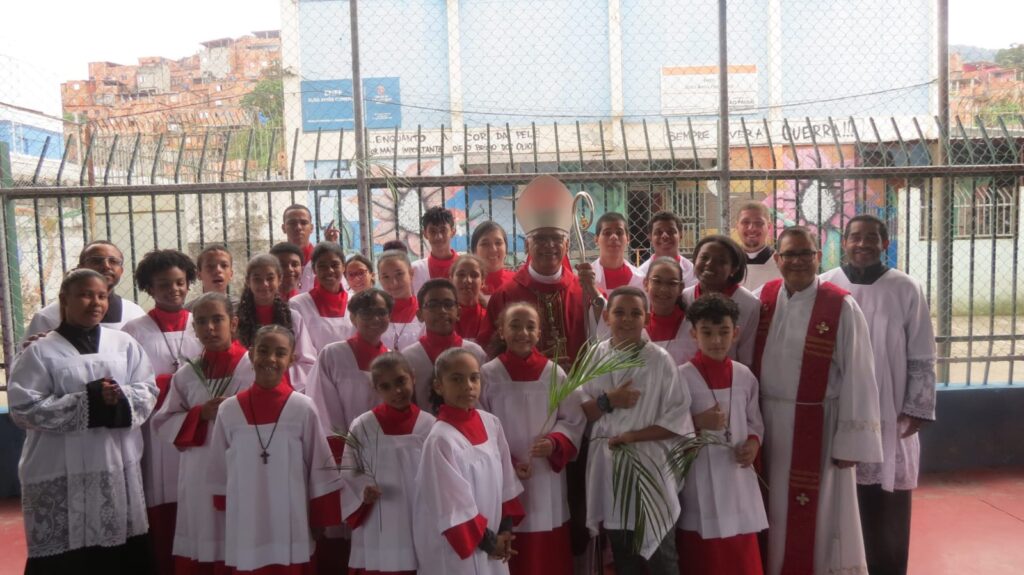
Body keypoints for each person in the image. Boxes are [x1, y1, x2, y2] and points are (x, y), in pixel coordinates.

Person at [8, 269, 157, 575]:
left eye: (102, 296)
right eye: (86, 295)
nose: (96, 303)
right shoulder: (39, 351)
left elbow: (147, 389)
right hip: (59, 468)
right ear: (65, 300)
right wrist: (88, 401)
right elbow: (24, 408)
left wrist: (119, 398)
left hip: (113, 464)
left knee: (119, 548)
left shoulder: (124, 344)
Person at [753, 226, 883, 575]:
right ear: (777, 259)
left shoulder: (840, 306)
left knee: (819, 514)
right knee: (769, 509)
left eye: (805, 254)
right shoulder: (762, 298)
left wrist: (851, 442)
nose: (797, 261)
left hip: (818, 428)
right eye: (789, 254)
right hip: (765, 425)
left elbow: (860, 375)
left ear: (818, 257)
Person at [820, 215, 936, 575]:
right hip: (838, 410)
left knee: (886, 503)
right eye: (855, 237)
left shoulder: (906, 287)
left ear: (885, 243)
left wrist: (916, 406)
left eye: (872, 237)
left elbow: (922, 352)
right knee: (839, 499)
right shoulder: (826, 285)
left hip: (890, 412)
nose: (862, 244)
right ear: (845, 242)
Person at [207, 325, 343, 574]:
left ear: (291, 359)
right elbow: (218, 467)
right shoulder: (229, 410)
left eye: (280, 353)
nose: (270, 359)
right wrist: (224, 508)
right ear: (251, 354)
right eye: (264, 351)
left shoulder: (303, 408)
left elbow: (319, 465)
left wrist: (319, 517)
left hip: (293, 516)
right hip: (246, 514)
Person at [580, 286, 692, 574]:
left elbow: (677, 421)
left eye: (635, 313)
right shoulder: (596, 355)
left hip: (650, 469)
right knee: (624, 555)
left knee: (662, 558)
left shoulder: (660, 360)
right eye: (619, 312)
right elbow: (582, 409)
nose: (626, 319)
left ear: (647, 317)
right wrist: (609, 400)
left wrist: (633, 437)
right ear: (606, 316)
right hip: (611, 468)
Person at [150, 292, 255, 575]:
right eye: (201, 322)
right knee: (205, 530)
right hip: (201, 468)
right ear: (193, 329)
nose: (209, 327)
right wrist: (200, 415)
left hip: (244, 464)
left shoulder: (254, 366)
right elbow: (163, 421)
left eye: (217, 319)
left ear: (233, 323)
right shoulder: (186, 374)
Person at [479, 302, 586, 575]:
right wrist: (509, 462)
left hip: (545, 474)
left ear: (539, 333)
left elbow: (573, 419)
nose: (522, 332)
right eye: (515, 325)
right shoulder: (487, 375)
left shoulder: (554, 374)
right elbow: (480, 425)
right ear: (501, 331)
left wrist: (555, 442)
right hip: (503, 475)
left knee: (545, 550)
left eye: (530, 327)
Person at [122, 248, 204, 575]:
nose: (174, 290)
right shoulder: (134, 330)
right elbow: (132, 382)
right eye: (164, 284)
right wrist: (173, 382)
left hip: (198, 426)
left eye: (181, 282)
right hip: (157, 430)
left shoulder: (202, 322)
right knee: (164, 503)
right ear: (149, 288)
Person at [676, 294, 767, 575]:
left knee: (740, 555)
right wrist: (696, 421)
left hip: (737, 476)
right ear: (694, 334)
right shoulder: (681, 377)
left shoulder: (745, 376)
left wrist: (753, 444)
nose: (716, 340)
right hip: (699, 477)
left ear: (736, 333)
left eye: (724, 332)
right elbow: (667, 426)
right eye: (707, 333)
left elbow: (755, 423)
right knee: (705, 555)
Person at [413, 348, 525, 575]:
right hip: (459, 546)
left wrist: (505, 530)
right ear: (438, 386)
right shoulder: (440, 439)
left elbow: (506, 484)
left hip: (492, 539)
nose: (468, 386)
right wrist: (490, 543)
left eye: (474, 378)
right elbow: (453, 507)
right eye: (456, 379)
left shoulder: (491, 423)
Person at [481, 175, 594, 368]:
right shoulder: (505, 295)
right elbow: (490, 352)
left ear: (566, 245)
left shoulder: (583, 291)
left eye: (557, 238)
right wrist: (534, 363)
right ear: (526, 245)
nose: (549, 245)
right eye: (540, 238)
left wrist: (595, 294)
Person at [340, 352, 436, 575]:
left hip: (419, 514)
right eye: (386, 386)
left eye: (401, 381)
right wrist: (364, 488)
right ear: (376, 389)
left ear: (413, 377)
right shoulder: (363, 425)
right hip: (379, 516)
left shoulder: (430, 425)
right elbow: (349, 468)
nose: (397, 391)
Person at [308, 288, 394, 439]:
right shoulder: (332, 355)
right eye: (367, 313)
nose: (375, 319)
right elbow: (322, 405)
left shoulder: (393, 360)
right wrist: (340, 443)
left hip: (384, 444)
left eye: (381, 313)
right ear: (353, 317)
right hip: (342, 446)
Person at [23, 241, 145, 343]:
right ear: (80, 267)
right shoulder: (47, 317)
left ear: (121, 270)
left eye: (113, 261)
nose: (106, 266)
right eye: (96, 261)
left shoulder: (134, 313)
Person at [403, 279, 487, 411]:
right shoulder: (408, 357)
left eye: (448, 304)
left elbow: (484, 400)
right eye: (432, 305)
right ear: (420, 315)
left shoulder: (475, 352)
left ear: (458, 312)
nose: (442, 311)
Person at [683, 235, 759, 366]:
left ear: (733, 269)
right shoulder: (684, 297)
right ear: (695, 260)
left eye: (721, 261)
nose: (709, 264)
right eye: (704, 257)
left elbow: (747, 354)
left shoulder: (749, 303)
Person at [288, 242, 355, 353]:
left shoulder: (355, 302)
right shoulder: (298, 304)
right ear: (314, 270)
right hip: (313, 369)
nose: (329, 270)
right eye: (322, 266)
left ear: (343, 267)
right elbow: (300, 351)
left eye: (334, 265)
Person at [643, 256, 693, 365]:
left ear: (681, 288)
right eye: (657, 281)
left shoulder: (692, 327)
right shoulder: (637, 326)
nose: (663, 289)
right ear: (646, 284)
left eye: (672, 283)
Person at [377, 249, 424, 350]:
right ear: (379, 279)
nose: (393, 283)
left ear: (411, 274)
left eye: (399, 274)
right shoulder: (374, 314)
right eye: (386, 277)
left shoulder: (424, 311)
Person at [636, 211, 697, 288]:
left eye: (671, 231)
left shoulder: (693, 273)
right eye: (658, 232)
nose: (665, 236)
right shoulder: (641, 275)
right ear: (650, 237)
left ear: (680, 235)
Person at [411, 206, 460, 295]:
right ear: (425, 234)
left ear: (453, 232)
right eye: (432, 231)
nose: (438, 236)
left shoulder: (466, 265)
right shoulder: (415, 270)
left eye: (443, 230)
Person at [590, 212, 644, 292]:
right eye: (607, 233)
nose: (614, 237)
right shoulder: (587, 278)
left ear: (628, 238)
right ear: (596, 239)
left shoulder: (640, 280)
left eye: (619, 233)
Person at [735, 201, 781, 291]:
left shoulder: (781, 264)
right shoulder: (728, 263)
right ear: (737, 226)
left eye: (758, 223)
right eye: (745, 222)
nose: (751, 228)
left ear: (769, 226)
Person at [185, 244, 238, 311]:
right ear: (199, 274)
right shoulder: (189, 311)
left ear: (231, 274)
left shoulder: (240, 308)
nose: (218, 270)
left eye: (224, 265)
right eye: (210, 266)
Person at [472, 221, 515, 298]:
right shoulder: (467, 285)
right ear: (474, 251)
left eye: (498, 243)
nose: (493, 249)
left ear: (506, 249)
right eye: (485, 244)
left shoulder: (516, 282)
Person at [451, 254, 489, 341]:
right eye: (461, 275)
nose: (467, 280)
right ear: (451, 279)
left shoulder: (490, 318)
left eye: (474, 275)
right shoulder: (444, 317)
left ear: (483, 282)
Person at [281, 204, 318, 294]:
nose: (298, 227)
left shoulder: (321, 258)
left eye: (304, 223)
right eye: (292, 223)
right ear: (283, 228)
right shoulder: (275, 260)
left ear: (312, 228)